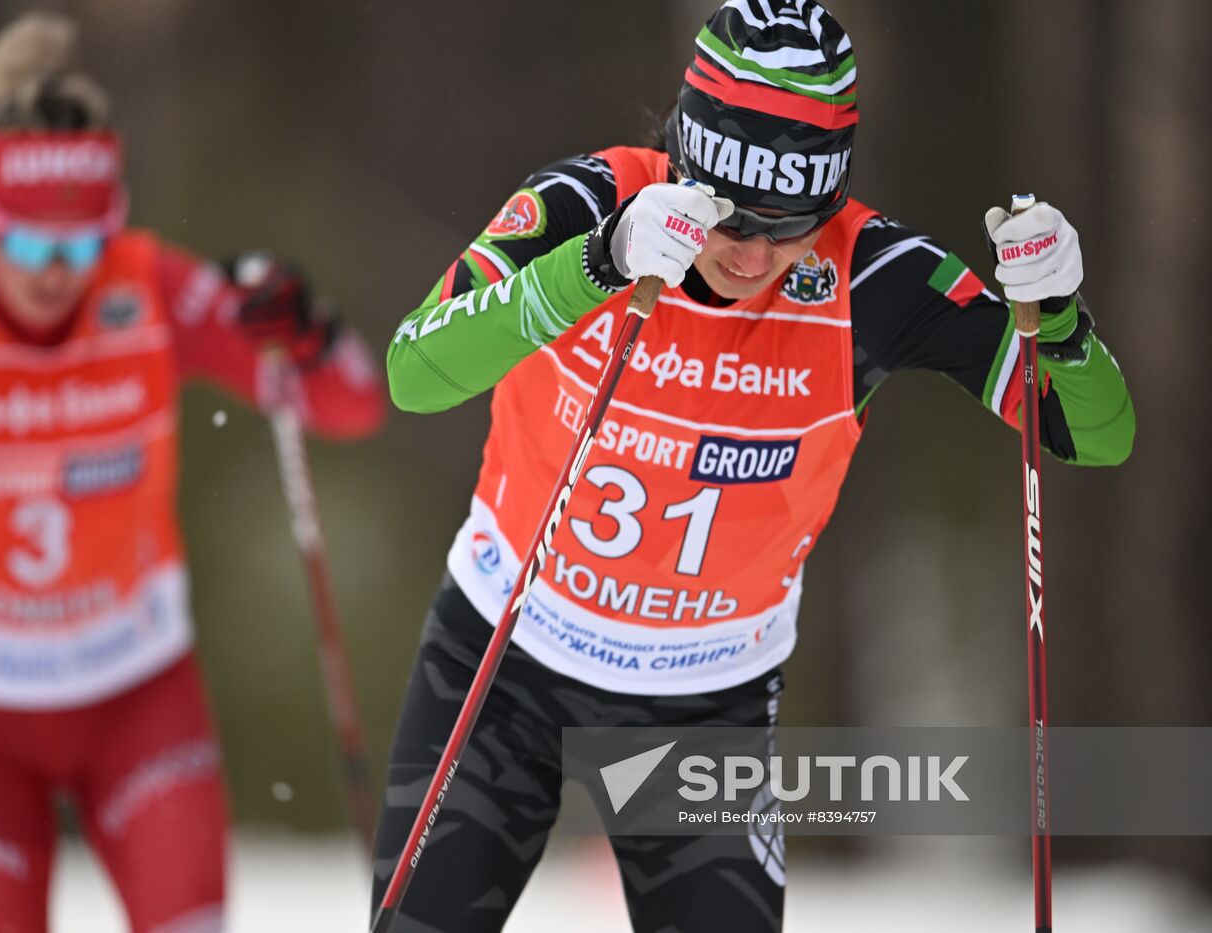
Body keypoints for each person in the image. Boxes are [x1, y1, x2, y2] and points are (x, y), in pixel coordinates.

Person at [372, 1, 1134, 930]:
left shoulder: (872, 275)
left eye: (792, 224)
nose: (755, 254)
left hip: (703, 703)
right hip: (502, 660)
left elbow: (1093, 432)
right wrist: (597, 268)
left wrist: (1056, 316)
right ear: (687, 166)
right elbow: (414, 371)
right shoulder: (587, 205)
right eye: (730, 218)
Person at [0, 13, 383, 933]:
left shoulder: (149, 288)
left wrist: (304, 331)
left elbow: (349, 403)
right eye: (31, 247)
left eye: (80, 248)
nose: (55, 275)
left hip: (134, 690)